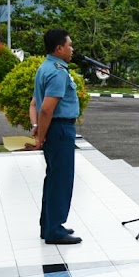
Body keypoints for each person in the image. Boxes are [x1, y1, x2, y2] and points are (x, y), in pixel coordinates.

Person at [27, 29, 82, 245]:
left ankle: (48, 226)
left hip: (54, 129)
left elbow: (35, 103)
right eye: (69, 45)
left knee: (53, 179)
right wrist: (41, 137)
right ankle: (54, 230)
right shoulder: (58, 71)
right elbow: (47, 109)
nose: (72, 49)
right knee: (61, 180)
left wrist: (38, 129)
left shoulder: (45, 67)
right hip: (60, 129)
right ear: (59, 49)